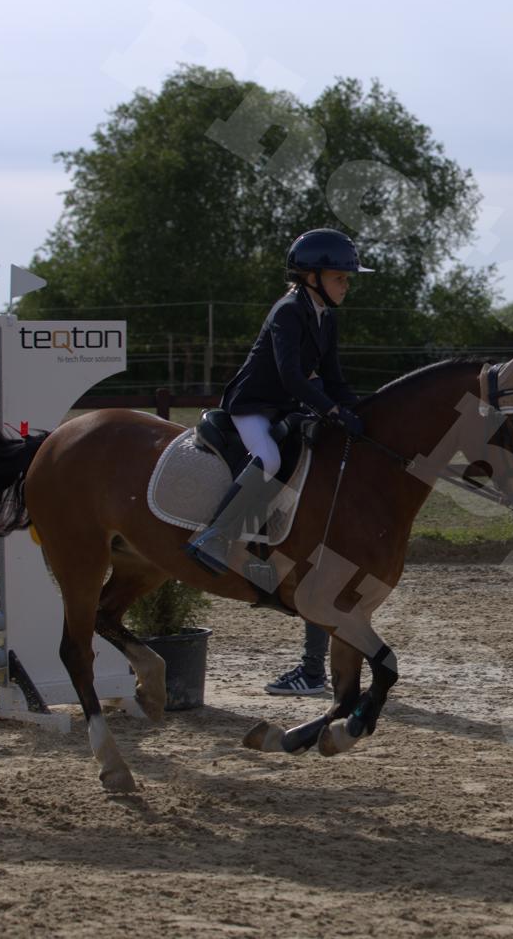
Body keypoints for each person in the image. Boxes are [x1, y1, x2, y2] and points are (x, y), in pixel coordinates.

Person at [186, 228, 373, 697]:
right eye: (339, 277)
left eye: (347, 278)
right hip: (253, 405)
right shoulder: (288, 311)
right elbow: (291, 375)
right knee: (269, 456)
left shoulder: (326, 318)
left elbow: (333, 377)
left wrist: (362, 414)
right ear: (311, 276)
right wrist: (332, 411)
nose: (346, 284)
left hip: (287, 407)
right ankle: (217, 535)